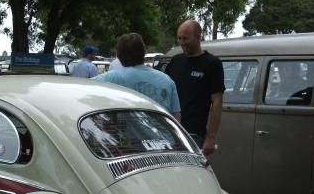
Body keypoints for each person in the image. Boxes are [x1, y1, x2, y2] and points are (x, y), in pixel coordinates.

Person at [164, 19, 224, 155]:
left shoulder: (212, 64)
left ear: (198, 37)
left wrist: (211, 137)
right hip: (170, 129)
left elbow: (217, 102)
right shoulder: (176, 60)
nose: (182, 42)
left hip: (193, 134)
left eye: (186, 38)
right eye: (179, 38)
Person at [93, 33, 180, 119]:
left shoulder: (109, 78)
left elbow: (85, 88)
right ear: (144, 52)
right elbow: (176, 117)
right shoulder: (167, 81)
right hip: (162, 129)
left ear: (119, 56)